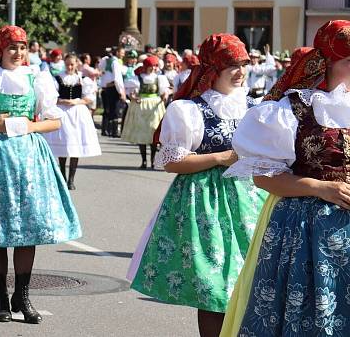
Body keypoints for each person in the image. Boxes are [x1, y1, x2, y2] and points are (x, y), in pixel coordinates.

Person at [129, 34, 267, 337]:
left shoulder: (256, 107)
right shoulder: (188, 110)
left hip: (252, 200)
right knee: (214, 287)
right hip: (206, 202)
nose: (240, 71)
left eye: (243, 63)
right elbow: (172, 162)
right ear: (213, 68)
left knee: (252, 282)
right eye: (232, 64)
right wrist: (220, 157)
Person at [219, 21, 350, 336]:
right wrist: (320, 187)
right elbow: (265, 179)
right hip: (306, 230)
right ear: (328, 64)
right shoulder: (289, 111)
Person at [0, 25, 81, 324]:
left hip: (29, 158)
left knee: (28, 228)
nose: (18, 53)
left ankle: (22, 296)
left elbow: (54, 121)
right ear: (0, 49)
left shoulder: (37, 78)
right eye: (12, 47)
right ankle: (0, 297)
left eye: (22, 48)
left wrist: (28, 125)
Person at [45, 53, 101, 189]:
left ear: (76, 64)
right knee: (64, 143)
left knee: (75, 145)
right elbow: (51, 97)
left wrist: (77, 101)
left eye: (72, 64)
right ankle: (63, 176)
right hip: (62, 111)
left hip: (77, 113)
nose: (69, 67)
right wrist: (62, 101)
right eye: (67, 64)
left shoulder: (82, 79)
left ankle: (71, 179)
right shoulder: (58, 78)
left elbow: (89, 98)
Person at [122, 56, 169, 169]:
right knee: (141, 133)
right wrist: (132, 97)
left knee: (153, 132)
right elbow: (130, 92)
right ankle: (143, 161)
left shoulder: (159, 78)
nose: (153, 68)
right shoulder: (137, 78)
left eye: (155, 66)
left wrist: (165, 96)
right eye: (151, 66)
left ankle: (152, 161)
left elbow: (164, 91)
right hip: (141, 105)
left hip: (155, 106)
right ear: (146, 66)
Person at [99, 47, 126, 137]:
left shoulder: (105, 60)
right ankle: (113, 131)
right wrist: (121, 91)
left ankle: (105, 130)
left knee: (107, 109)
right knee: (114, 110)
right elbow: (117, 78)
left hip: (105, 87)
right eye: (122, 52)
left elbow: (100, 69)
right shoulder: (115, 62)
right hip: (113, 88)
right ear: (117, 53)